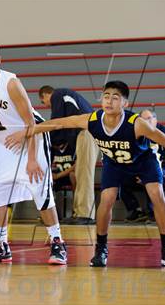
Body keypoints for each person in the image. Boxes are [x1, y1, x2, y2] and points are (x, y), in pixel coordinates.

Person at [5, 80, 165, 268]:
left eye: (115, 97)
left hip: (143, 161)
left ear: (125, 103)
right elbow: (60, 123)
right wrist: (29, 131)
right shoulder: (92, 119)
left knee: (156, 194)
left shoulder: (137, 123)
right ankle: (101, 250)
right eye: (106, 96)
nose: (109, 100)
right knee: (106, 199)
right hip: (114, 163)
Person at [0, 42, 67, 265]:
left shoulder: (10, 82)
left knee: (40, 188)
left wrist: (31, 159)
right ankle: (1, 245)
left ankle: (57, 242)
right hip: (4, 141)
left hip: (31, 135)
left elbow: (30, 121)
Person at [39, 86, 98, 225]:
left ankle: (86, 214)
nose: (47, 106)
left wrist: (41, 136)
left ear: (46, 94)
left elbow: (56, 123)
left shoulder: (58, 94)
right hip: (86, 134)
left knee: (84, 174)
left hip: (87, 133)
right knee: (80, 173)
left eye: (43, 102)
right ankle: (80, 212)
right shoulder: (68, 100)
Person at [120, 109, 165, 223]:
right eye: (143, 120)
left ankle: (153, 212)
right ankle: (135, 211)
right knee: (121, 177)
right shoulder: (139, 133)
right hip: (145, 170)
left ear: (155, 120)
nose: (146, 122)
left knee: (151, 176)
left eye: (149, 119)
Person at [50, 134, 76, 220]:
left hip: (67, 174)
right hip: (57, 175)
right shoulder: (52, 149)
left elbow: (77, 164)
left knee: (73, 175)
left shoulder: (72, 147)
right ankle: (54, 214)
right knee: (49, 182)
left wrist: (58, 175)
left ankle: (75, 211)